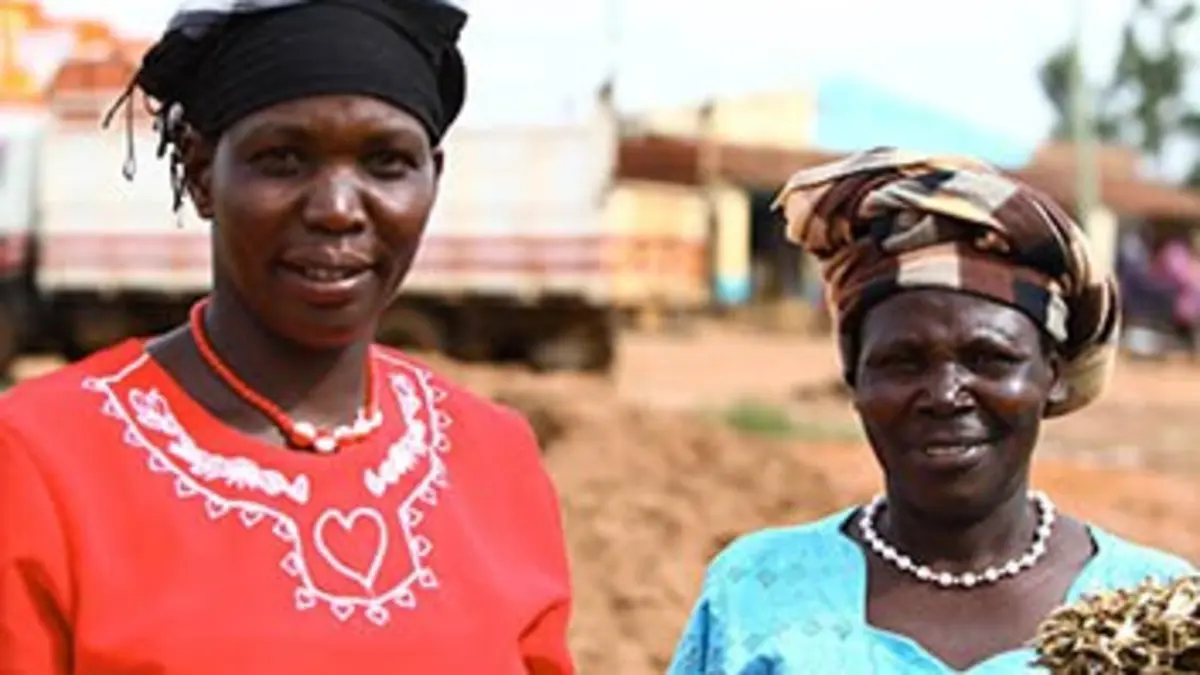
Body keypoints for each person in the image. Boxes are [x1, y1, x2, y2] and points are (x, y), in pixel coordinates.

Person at [0, 1, 575, 673]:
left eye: (386, 162)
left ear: (433, 179)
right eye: (283, 159)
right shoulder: (39, 459)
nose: (336, 208)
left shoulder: (496, 459)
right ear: (199, 172)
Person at [667, 147, 1195, 674]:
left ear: (1051, 375)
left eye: (988, 359)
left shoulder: (1157, 615)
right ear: (854, 375)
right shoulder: (755, 593)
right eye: (903, 361)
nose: (945, 394)